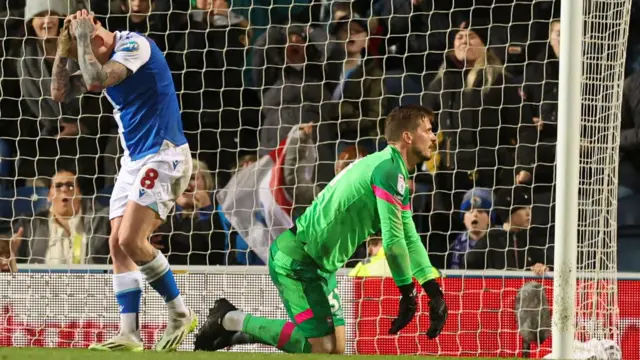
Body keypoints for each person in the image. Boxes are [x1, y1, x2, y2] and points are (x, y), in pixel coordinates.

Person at [193, 105, 448, 354]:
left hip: (321, 267)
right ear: (408, 136)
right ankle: (231, 318)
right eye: (429, 130)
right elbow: (393, 242)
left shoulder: (392, 169)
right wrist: (407, 291)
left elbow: (409, 238)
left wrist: (433, 292)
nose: (434, 137)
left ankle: (234, 332)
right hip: (297, 260)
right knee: (321, 348)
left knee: (336, 348)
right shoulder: (387, 169)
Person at [50, 10, 196, 352]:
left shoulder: (134, 44)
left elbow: (98, 78)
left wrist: (83, 37)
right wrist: (64, 45)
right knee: (116, 243)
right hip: (133, 161)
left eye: (91, 38)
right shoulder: (95, 55)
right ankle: (129, 333)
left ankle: (179, 314)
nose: (84, 55)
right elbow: (59, 93)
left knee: (132, 239)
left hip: (165, 153)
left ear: (99, 35)